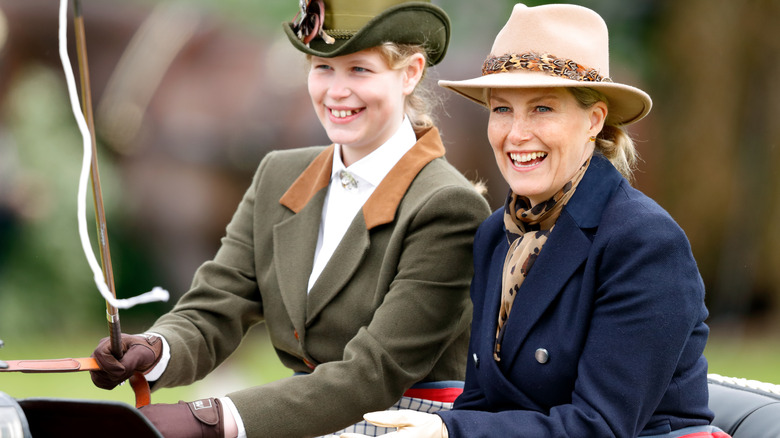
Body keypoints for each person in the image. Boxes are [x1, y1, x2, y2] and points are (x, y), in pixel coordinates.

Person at [88, 1, 491, 437]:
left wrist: (211, 418)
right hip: (298, 420)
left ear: (410, 73)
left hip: (403, 425)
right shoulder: (277, 173)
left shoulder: (448, 206)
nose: (336, 91)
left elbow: (372, 373)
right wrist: (157, 348)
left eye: (359, 70)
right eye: (323, 68)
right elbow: (215, 307)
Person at [342, 3, 730, 438]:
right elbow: (483, 401)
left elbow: (600, 427)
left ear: (594, 121)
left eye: (542, 109)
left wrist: (448, 432)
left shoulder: (644, 242)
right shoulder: (495, 235)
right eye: (502, 109)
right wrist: (442, 426)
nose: (516, 134)